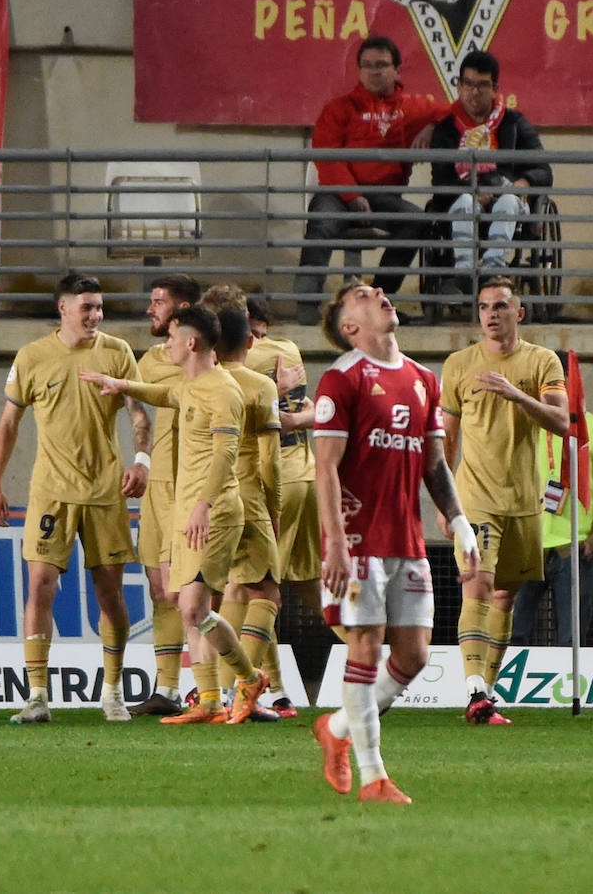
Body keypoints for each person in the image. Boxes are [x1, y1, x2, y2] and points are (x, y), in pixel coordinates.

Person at [311, 280, 480, 804]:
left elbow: (434, 463)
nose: (379, 291)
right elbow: (325, 468)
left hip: (407, 541)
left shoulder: (423, 380)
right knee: (364, 648)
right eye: (362, 294)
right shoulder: (341, 381)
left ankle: (337, 728)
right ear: (350, 327)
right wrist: (335, 544)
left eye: (376, 289)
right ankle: (373, 777)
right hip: (357, 541)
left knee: (414, 657)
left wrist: (458, 520)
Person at [81, 306, 270, 725]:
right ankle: (211, 699)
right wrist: (121, 384)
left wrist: (203, 504)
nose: (165, 343)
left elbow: (224, 453)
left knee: (193, 608)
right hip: (188, 512)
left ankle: (247, 678)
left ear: (191, 342)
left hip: (214, 512)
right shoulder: (192, 384)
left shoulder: (224, 391)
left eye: (171, 337)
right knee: (190, 609)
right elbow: (166, 395)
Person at [0, 274, 151, 724]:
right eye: (87, 307)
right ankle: (37, 696)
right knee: (40, 585)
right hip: (51, 493)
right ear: (63, 308)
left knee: (110, 593)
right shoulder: (33, 357)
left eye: (99, 307)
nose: (95, 315)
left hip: (105, 492)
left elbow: (140, 412)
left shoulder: (117, 353)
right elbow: (7, 424)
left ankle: (113, 691)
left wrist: (141, 461)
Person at [437, 278, 567, 725]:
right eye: (484, 307)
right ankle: (473, 689)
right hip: (475, 497)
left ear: (520, 313)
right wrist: (444, 502)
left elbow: (562, 422)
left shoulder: (541, 361)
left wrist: (516, 393)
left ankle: (487, 692)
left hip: (524, 500)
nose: (491, 314)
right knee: (476, 581)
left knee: (505, 595)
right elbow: (446, 439)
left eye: (500, 306)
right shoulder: (458, 365)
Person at [292, 36, 448, 324]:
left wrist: (433, 125)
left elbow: (456, 113)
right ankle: (306, 305)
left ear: (398, 70)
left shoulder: (413, 108)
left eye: (381, 65)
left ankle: (378, 301)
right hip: (337, 193)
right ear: (359, 71)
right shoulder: (338, 108)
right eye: (367, 66)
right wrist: (353, 196)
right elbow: (326, 157)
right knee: (322, 223)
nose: (374, 71)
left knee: (417, 222)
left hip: (384, 196)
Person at [247, 294, 343, 718]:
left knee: (255, 588)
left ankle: (272, 690)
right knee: (306, 583)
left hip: (278, 484)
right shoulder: (287, 349)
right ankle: (371, 651)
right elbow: (309, 411)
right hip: (304, 476)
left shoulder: (246, 361)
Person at [199, 285, 282, 720]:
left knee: (206, 598)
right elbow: (271, 462)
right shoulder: (259, 385)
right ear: (251, 339)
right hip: (247, 497)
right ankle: (243, 693)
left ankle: (207, 695)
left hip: (203, 498)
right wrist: (276, 510)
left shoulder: (196, 383)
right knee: (265, 591)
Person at [512, 354, 593, 646]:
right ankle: (503, 693)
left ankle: (566, 694)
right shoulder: (526, 427)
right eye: (547, 383)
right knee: (512, 636)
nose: (553, 390)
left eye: (560, 383)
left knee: (571, 642)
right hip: (528, 549)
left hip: (575, 552)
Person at [127, 273, 203, 717]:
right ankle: (168, 688)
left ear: (183, 308)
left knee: (189, 591)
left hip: (191, 487)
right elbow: (140, 414)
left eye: (159, 302)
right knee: (159, 590)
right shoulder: (149, 359)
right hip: (157, 485)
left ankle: (215, 686)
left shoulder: (203, 355)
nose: (151, 309)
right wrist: (141, 457)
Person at [427, 51, 551, 293]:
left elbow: (544, 169)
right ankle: (465, 273)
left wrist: (526, 181)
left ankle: (493, 273)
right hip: (463, 198)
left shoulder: (514, 122)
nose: (475, 92)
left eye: (482, 85)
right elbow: (440, 180)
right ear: (460, 86)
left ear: (495, 88)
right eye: (469, 84)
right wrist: (474, 191)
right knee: (464, 201)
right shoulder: (446, 128)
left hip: (507, 196)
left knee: (507, 202)